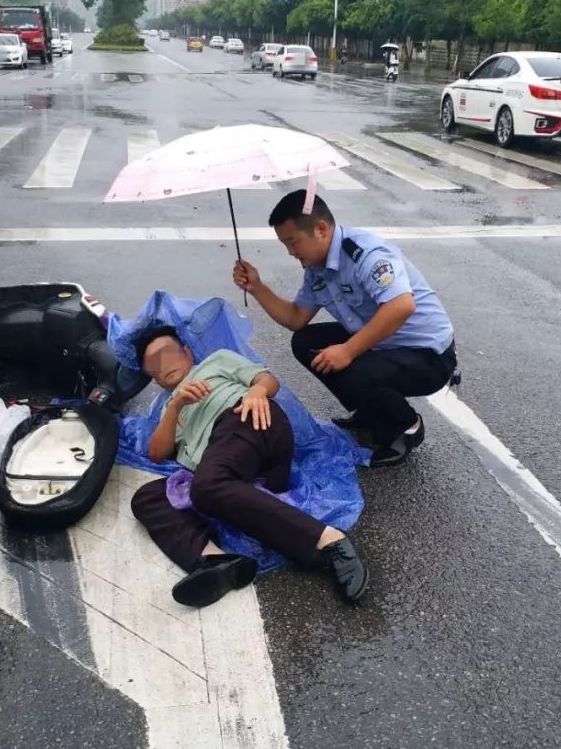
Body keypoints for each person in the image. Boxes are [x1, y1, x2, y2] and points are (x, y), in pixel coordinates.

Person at [129, 326, 369, 608]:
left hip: (248, 420)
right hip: (224, 469)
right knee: (148, 497)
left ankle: (328, 541)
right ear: (154, 379)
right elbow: (157, 453)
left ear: (187, 352)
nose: (164, 364)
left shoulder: (215, 363)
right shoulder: (170, 407)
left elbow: (267, 380)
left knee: (207, 486)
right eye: (154, 364)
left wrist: (256, 392)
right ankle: (215, 560)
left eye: (167, 354)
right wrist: (175, 406)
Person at [233, 190, 457, 468]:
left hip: (428, 355)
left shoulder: (366, 254)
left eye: (292, 242)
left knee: (352, 365)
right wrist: (257, 287)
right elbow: (295, 318)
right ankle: (371, 409)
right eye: (285, 245)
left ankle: (406, 427)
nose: (291, 252)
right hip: (385, 345)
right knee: (306, 342)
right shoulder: (317, 269)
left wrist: (349, 350)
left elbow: (401, 306)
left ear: (321, 229)